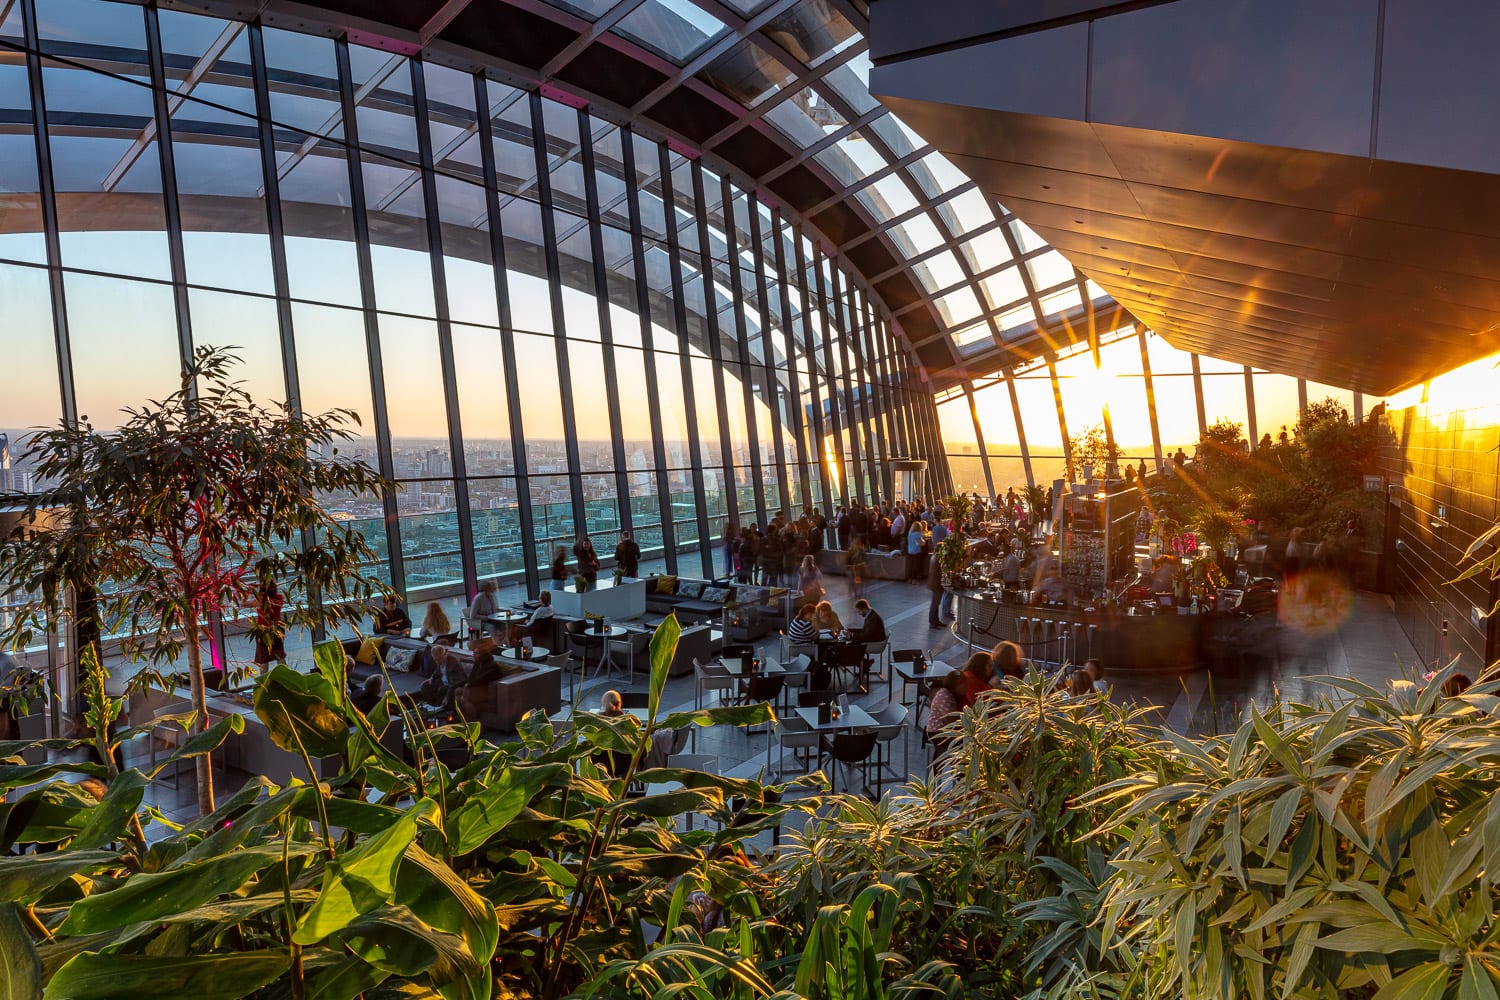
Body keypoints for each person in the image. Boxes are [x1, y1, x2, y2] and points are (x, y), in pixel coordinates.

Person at [925, 672, 965, 761]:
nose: (966, 687)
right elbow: (950, 720)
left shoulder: (953, 694)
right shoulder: (944, 696)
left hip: (945, 730)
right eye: (964, 684)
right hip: (937, 732)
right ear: (957, 685)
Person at [252, 579, 286, 667]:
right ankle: (284, 676)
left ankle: (264, 679)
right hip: (277, 628)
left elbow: (244, 604)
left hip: (263, 630)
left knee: (263, 659)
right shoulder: (280, 598)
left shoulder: (260, 600)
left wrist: (247, 592)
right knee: (280, 656)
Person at [927, 548, 947, 629]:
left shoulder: (934, 556)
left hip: (934, 583)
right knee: (935, 604)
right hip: (937, 584)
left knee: (936, 603)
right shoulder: (938, 559)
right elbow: (940, 572)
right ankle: (932, 622)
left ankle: (936, 620)